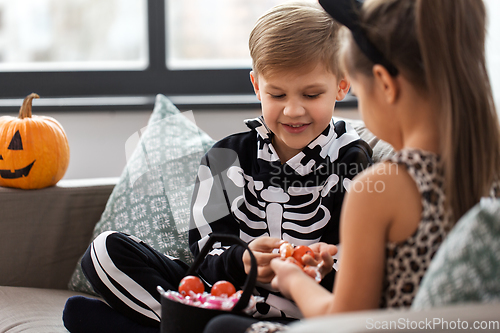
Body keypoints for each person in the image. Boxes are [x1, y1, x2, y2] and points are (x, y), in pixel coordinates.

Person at [62, 2, 372, 332]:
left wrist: (314, 267)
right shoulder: (224, 157)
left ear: (342, 85)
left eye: (311, 95)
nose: (293, 110)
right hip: (221, 294)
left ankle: (162, 327)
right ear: (256, 86)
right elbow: (205, 259)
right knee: (105, 251)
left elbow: (354, 271)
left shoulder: (350, 159)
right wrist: (241, 260)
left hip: (302, 311)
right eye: (277, 94)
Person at [204, 0, 500, 332]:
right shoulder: (484, 166)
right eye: (278, 95)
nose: (293, 111)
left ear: (384, 85)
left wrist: (290, 279)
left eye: (357, 91)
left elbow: (345, 321)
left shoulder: (379, 187)